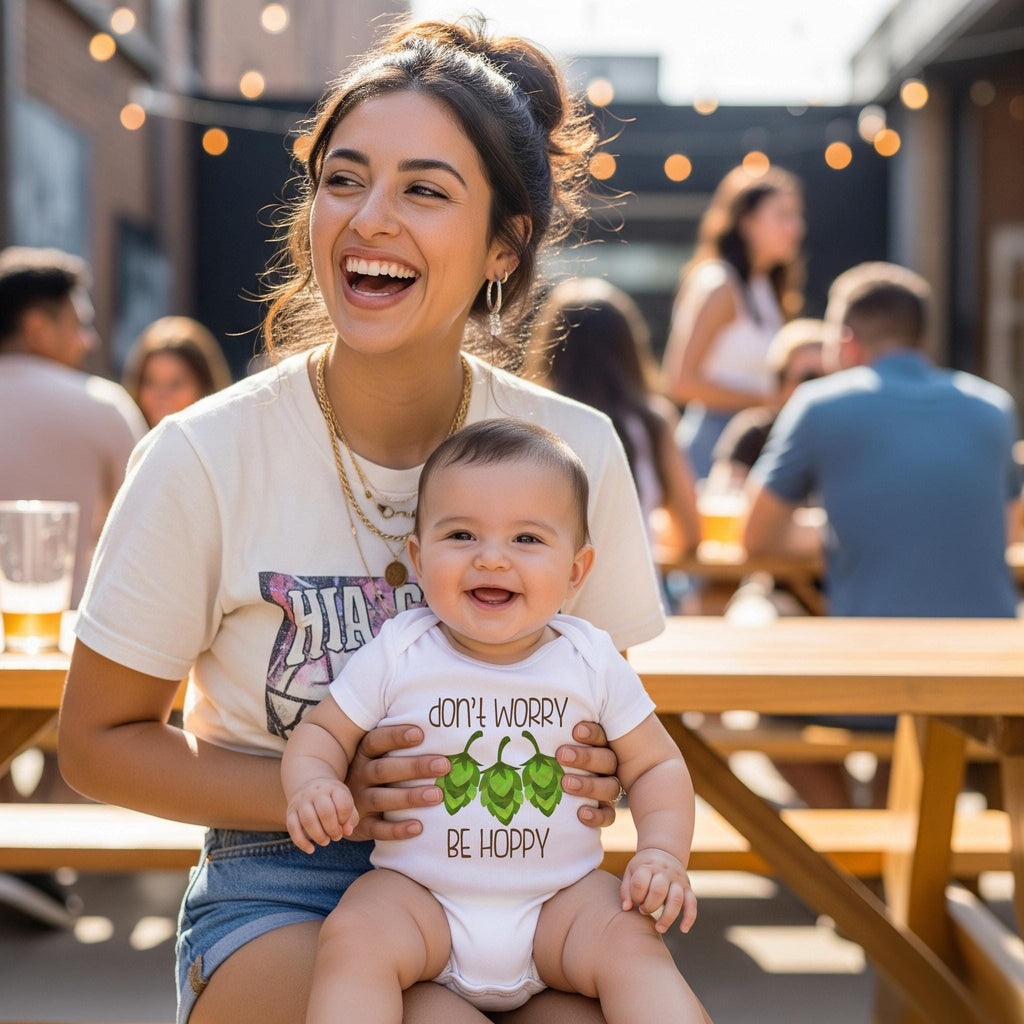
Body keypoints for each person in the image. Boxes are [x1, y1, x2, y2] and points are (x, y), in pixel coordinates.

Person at [58, 17, 670, 1024]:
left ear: (502, 246)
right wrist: (330, 789)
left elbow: (609, 704)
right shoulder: (206, 453)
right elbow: (94, 742)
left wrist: (601, 766)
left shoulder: (574, 449)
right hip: (281, 883)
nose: (368, 217)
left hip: (519, 888)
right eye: (342, 180)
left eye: (424, 190)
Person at [283, 419, 707, 1023]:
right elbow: (323, 732)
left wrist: (662, 852)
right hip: (419, 897)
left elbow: (658, 762)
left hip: (560, 902)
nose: (491, 558)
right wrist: (314, 782)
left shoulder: (590, 658)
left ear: (577, 571)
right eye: (460, 534)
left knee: (632, 943)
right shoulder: (400, 648)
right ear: (419, 557)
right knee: (353, 936)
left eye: (527, 540)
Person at [744, 261, 1020, 619]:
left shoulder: (818, 404)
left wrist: (841, 532)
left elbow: (756, 538)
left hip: (874, 652)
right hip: (989, 655)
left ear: (847, 344)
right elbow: (1007, 531)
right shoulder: (994, 408)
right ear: (921, 339)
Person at [0, 246, 147, 606]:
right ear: (37, 328)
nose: (89, 340)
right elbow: (150, 530)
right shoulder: (103, 405)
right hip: (73, 637)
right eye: (79, 324)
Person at [526, 277, 699, 561]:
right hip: (638, 596)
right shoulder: (652, 421)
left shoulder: (527, 419)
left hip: (548, 596)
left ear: (550, 346)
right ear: (629, 347)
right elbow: (691, 533)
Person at [661, 165, 805, 479]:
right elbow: (679, 382)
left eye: (796, 216)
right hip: (711, 451)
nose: (796, 228)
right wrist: (767, 399)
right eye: (783, 215)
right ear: (747, 221)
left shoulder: (765, 286)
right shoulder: (719, 284)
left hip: (754, 445)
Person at [707, 318, 827, 490]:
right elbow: (723, 495)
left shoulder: (849, 435)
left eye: (831, 376)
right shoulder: (755, 431)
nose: (824, 387)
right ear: (781, 382)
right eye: (810, 378)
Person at [121, 315, 233, 428]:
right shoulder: (121, 440)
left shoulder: (225, 441)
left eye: (175, 384)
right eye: (150, 382)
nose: (161, 395)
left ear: (204, 387)